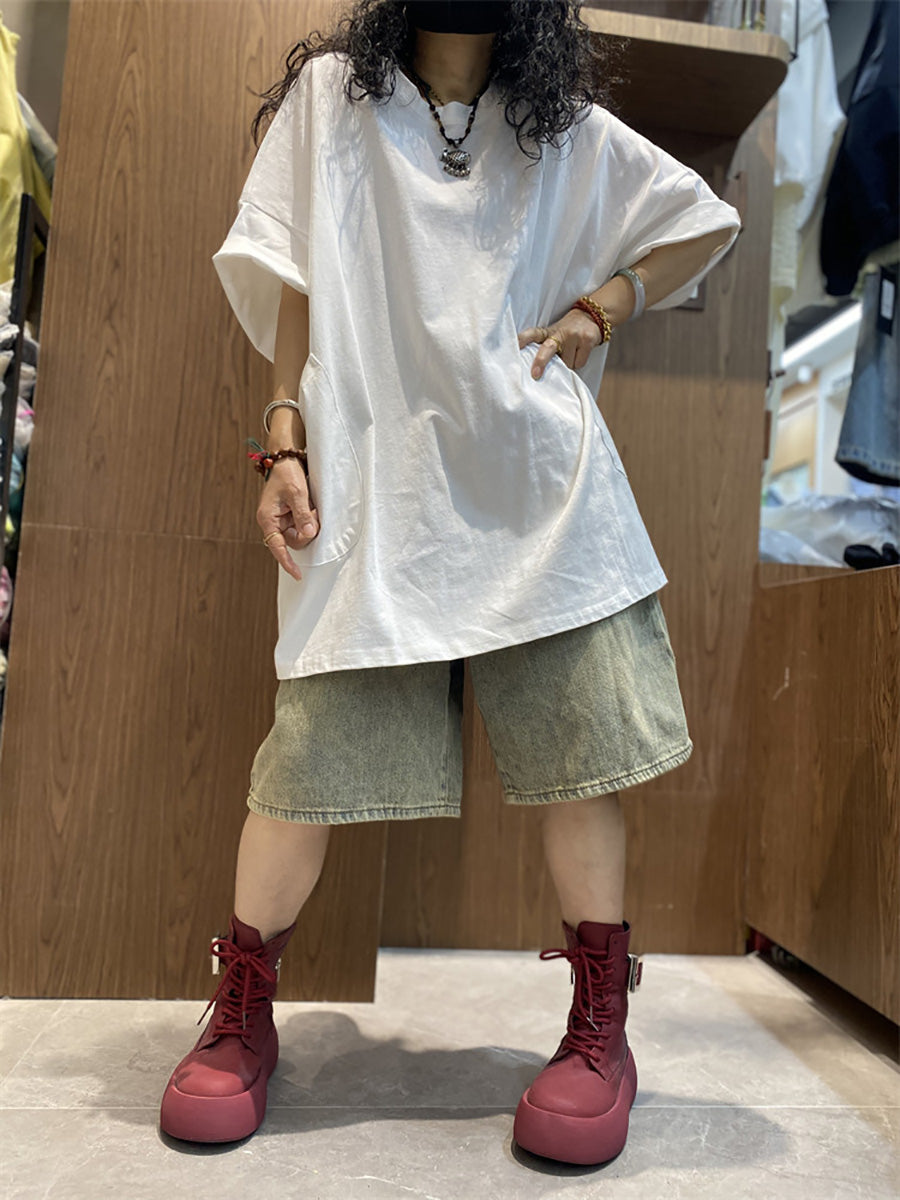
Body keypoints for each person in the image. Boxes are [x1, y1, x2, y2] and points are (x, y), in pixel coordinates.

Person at [159, 0, 741, 1167]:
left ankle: (600, 1030)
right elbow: (296, 271)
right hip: (376, 479)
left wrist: (598, 312)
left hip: (539, 487)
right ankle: (240, 1009)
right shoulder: (336, 100)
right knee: (306, 762)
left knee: (581, 758)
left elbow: (698, 222)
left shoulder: (559, 125)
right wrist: (284, 437)